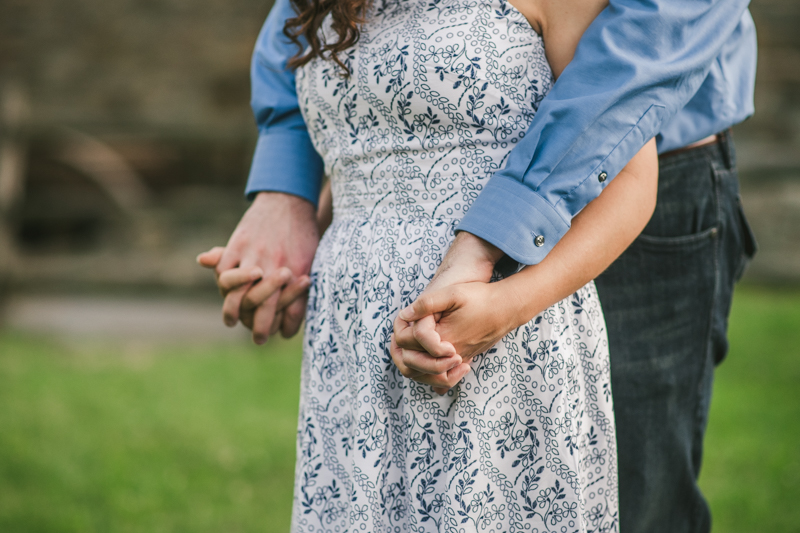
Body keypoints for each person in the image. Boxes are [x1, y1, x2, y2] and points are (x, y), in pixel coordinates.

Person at [199, 0, 757, 531]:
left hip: (527, 295)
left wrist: (501, 281)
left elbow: (630, 134)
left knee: (640, 498)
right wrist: (288, 199)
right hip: (357, 355)